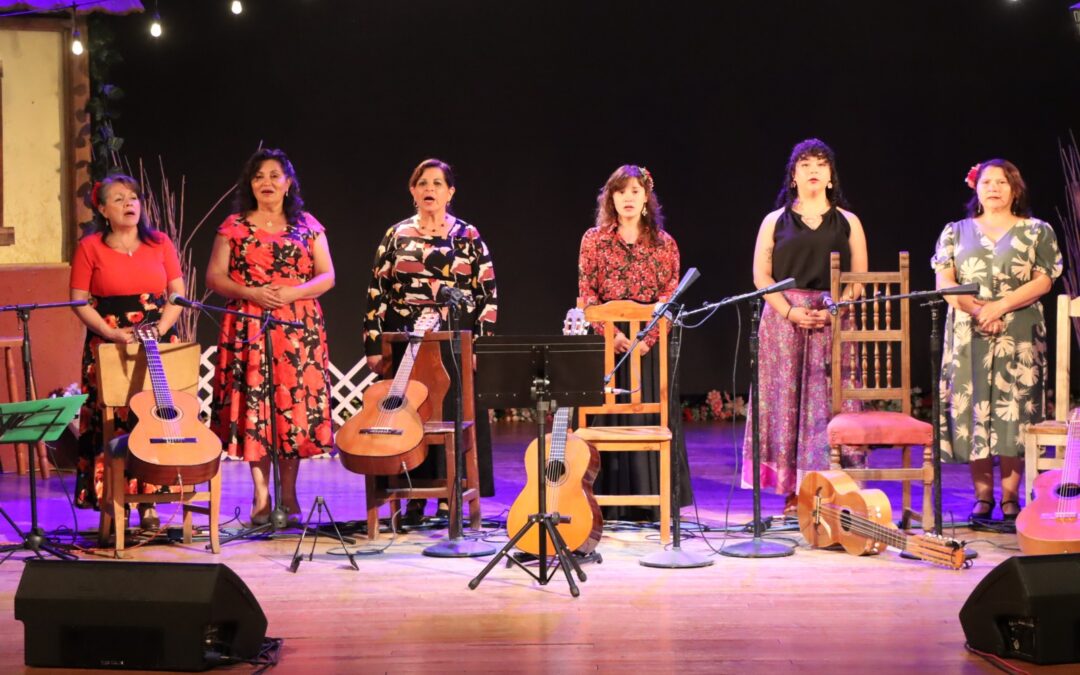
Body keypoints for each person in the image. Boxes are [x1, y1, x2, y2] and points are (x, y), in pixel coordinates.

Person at [364, 158, 498, 524]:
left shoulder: (467, 236)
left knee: (450, 414)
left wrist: (480, 347)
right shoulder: (397, 235)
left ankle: (450, 496)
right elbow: (377, 290)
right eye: (423, 183)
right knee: (411, 415)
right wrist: (373, 345)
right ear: (412, 190)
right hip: (407, 338)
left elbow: (487, 294)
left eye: (438, 184)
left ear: (450, 192)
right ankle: (412, 498)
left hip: (453, 340)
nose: (429, 189)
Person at [207, 148, 335, 525]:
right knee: (256, 411)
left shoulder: (308, 225)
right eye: (259, 175)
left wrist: (293, 292)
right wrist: (251, 293)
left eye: (275, 175)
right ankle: (261, 497)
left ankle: (291, 497)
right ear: (250, 183)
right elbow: (214, 277)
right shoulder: (234, 225)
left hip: (298, 329)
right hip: (249, 324)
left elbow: (327, 276)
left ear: (288, 183)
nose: (267, 182)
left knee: (292, 411)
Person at [744, 138, 868, 515]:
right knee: (785, 402)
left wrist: (835, 308)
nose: (813, 170)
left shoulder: (848, 221)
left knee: (827, 401)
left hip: (833, 318)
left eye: (820, 164)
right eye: (804, 165)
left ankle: (833, 487)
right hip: (784, 322)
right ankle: (792, 492)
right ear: (793, 176)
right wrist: (789, 312)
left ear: (831, 176)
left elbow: (860, 275)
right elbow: (761, 275)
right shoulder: (774, 221)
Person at [933, 159, 1061, 522]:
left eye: (1002, 182)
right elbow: (945, 281)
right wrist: (978, 311)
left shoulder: (1037, 231)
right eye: (987, 181)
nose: (993, 188)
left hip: (1018, 332)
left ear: (1015, 189)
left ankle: (1010, 498)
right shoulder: (954, 232)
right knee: (975, 410)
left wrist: (999, 307)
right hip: (968, 331)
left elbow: (1044, 279)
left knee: (1013, 412)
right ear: (975, 188)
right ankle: (983, 497)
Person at [70, 173, 185, 529]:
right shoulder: (90, 247)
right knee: (116, 419)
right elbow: (78, 302)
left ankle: (151, 502)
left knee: (155, 415)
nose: (128, 203)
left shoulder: (160, 243)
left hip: (158, 341)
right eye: (118, 198)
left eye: (133, 197)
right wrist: (110, 332)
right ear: (102, 209)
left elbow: (177, 295)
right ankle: (116, 500)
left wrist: (161, 330)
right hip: (110, 342)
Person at [577, 164, 692, 521]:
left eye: (635, 191)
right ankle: (602, 504)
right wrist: (613, 335)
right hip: (608, 343)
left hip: (651, 345)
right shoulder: (593, 240)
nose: (628, 197)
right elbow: (586, 294)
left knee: (651, 412)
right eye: (621, 191)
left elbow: (670, 296)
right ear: (611, 198)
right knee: (606, 416)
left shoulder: (664, 243)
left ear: (646, 198)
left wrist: (647, 337)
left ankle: (651, 502)